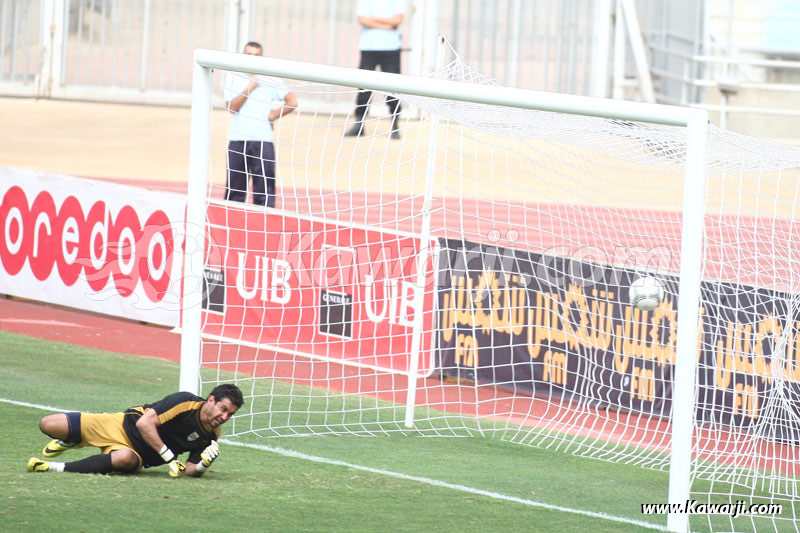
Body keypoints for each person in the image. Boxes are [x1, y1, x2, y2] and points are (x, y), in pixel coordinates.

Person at [27, 384, 244, 477]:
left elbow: (187, 470)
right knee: (48, 424)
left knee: (124, 460)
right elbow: (144, 424)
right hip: (121, 425)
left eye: (230, 414)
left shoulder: (211, 437)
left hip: (139, 455)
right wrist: (169, 458)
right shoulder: (185, 402)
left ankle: (52, 467)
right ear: (212, 400)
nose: (224, 418)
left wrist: (202, 466)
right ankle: (70, 440)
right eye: (223, 409)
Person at [224, 41, 298, 208]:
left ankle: (264, 227)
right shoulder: (234, 77)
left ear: (261, 57)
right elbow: (232, 107)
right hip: (238, 138)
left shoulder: (270, 77)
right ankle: (231, 226)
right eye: (249, 54)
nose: (252, 58)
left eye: (256, 55)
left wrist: (272, 117)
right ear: (243, 56)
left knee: (264, 192)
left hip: (263, 140)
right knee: (234, 191)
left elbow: (292, 102)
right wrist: (250, 87)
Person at [344, 0, 406, 140]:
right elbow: (362, 20)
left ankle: (395, 126)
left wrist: (374, 20)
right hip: (368, 48)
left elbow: (397, 20)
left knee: (392, 88)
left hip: (391, 49)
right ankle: (359, 125)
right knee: (364, 88)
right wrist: (387, 24)